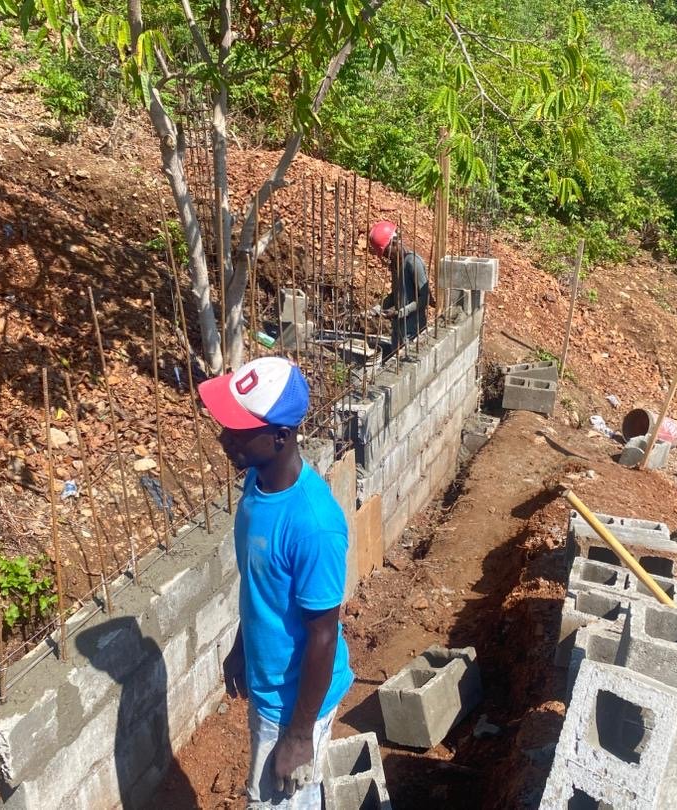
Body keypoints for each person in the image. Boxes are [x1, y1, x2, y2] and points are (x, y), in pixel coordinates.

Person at [198, 356, 354, 809]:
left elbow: (323, 633)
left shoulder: (313, 526)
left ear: (281, 437)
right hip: (269, 684)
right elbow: (263, 590)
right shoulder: (257, 482)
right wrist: (242, 646)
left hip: (294, 704)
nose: (223, 438)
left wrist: (300, 735)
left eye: (238, 430)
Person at [368, 220, 430, 357]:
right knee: (393, 361)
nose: (386, 257)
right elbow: (396, 294)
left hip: (412, 332)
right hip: (398, 330)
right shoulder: (395, 265)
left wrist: (400, 312)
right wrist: (378, 308)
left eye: (386, 252)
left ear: (394, 244)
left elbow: (425, 298)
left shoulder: (413, 263)